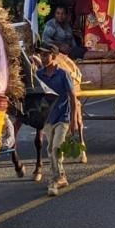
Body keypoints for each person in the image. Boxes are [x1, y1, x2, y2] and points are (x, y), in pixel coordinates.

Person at [36, 44, 78, 197]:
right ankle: (61, 176)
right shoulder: (39, 75)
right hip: (48, 118)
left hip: (62, 117)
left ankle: (54, 180)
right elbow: (37, 96)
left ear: (53, 57)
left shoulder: (63, 74)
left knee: (56, 148)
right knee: (50, 150)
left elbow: (73, 98)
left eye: (46, 55)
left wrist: (73, 120)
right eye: (41, 55)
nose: (43, 58)